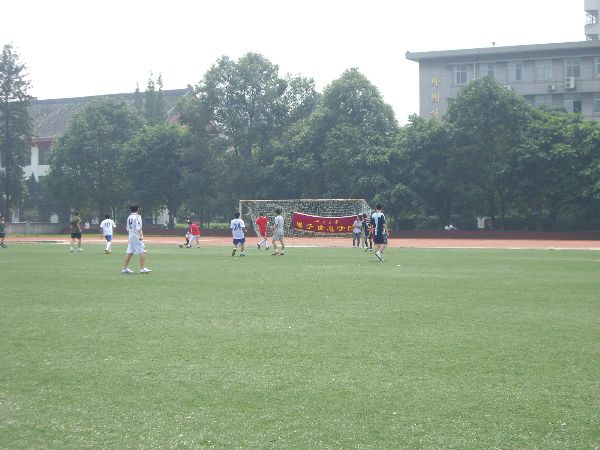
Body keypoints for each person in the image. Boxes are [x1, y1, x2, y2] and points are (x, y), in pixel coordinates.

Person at [122, 205, 151, 274]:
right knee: (142, 251)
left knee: (130, 252)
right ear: (138, 209)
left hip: (131, 236)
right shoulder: (138, 217)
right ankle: (142, 268)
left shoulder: (129, 217)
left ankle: (125, 268)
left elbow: (127, 228)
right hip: (136, 236)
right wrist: (140, 235)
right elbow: (138, 227)